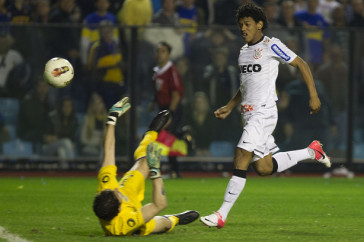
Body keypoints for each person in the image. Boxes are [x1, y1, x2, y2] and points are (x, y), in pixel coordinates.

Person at [200, 2, 331, 229]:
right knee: (263, 168)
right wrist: (230, 106)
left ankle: (221, 214)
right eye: (241, 24)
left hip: (264, 113)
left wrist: (314, 95)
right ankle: (312, 151)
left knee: (241, 154)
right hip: (248, 116)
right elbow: (246, 86)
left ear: (260, 25)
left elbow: (301, 63)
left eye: (247, 24)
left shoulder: (271, 45)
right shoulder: (243, 52)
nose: (243, 28)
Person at [93, 97, 199, 236]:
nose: (115, 189)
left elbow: (108, 152)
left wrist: (111, 119)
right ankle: (175, 219)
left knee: (144, 162)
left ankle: (150, 134)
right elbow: (159, 205)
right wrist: (155, 171)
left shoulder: (107, 191)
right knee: (162, 224)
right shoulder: (122, 225)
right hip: (136, 219)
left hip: (127, 192)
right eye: (116, 193)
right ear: (119, 209)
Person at [150, 41, 184, 178]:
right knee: (165, 139)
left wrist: (170, 114)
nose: (159, 54)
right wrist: (153, 102)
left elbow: (176, 95)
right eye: (158, 51)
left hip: (171, 109)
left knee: (169, 138)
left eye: (163, 51)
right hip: (162, 108)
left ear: (169, 54)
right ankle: (172, 170)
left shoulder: (171, 71)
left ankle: (175, 171)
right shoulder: (157, 71)